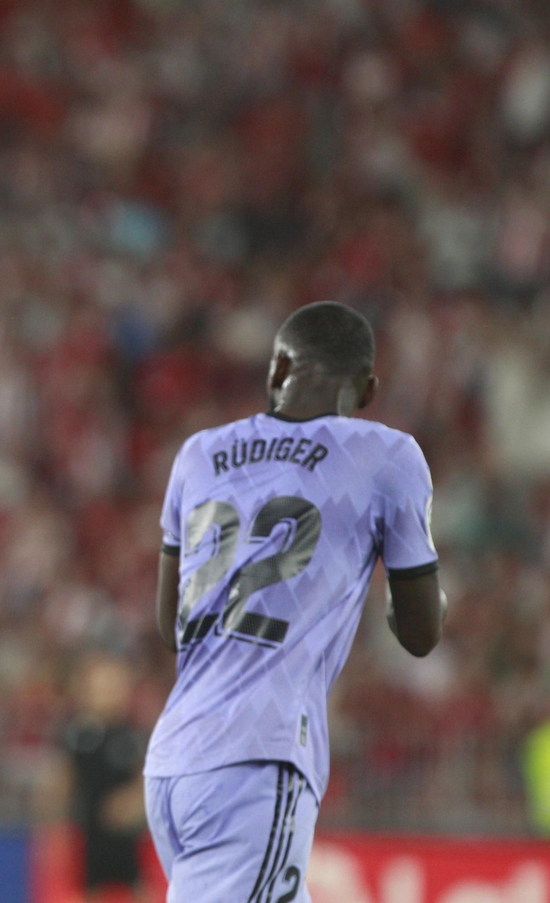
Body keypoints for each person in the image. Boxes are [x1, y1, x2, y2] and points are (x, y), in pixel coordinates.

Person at [146, 302, 446, 902]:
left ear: (279, 363)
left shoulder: (199, 454)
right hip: (259, 757)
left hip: (175, 758)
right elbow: (420, 633)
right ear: (367, 389)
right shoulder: (385, 455)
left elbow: (169, 622)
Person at [57, 654, 147, 902]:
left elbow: (144, 781)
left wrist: (133, 803)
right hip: (90, 838)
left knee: (139, 889)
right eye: (100, 688)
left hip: (126, 839)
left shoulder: (132, 737)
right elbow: (62, 783)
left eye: (114, 687)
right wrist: (56, 828)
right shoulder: (78, 737)